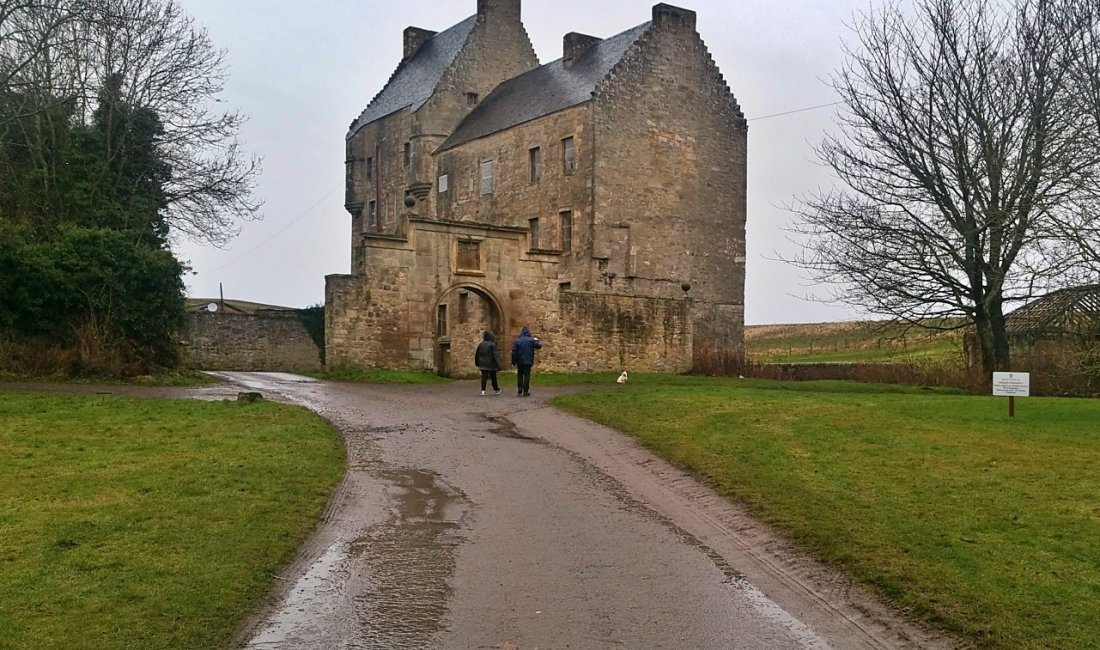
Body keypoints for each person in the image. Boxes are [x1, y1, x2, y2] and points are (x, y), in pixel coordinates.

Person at [510, 326, 542, 396]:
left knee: (520, 375)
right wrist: (536, 340)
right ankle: (525, 391)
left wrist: (513, 361)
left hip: (519, 361)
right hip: (528, 361)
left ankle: (520, 389)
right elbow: (538, 346)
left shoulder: (517, 340)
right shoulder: (531, 340)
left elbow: (514, 351)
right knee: (527, 375)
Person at [474, 330, 502, 395]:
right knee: (493, 377)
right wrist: (499, 365)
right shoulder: (492, 344)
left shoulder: (481, 344)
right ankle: (496, 389)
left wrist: (477, 363)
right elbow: (495, 355)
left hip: (482, 364)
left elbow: (477, 354)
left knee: (484, 377)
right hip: (491, 364)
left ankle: (483, 391)